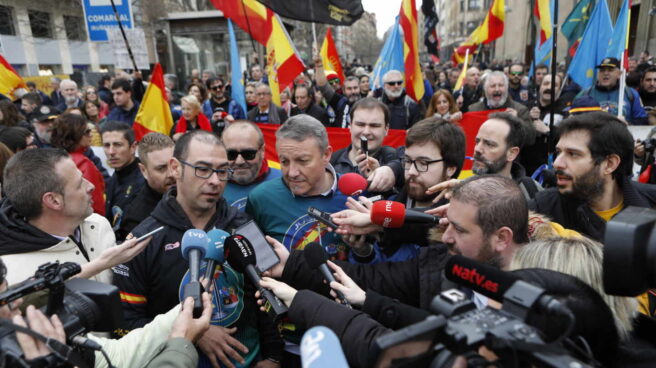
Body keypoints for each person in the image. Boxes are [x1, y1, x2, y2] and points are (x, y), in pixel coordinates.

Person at [112, 130, 283, 368]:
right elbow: (125, 324)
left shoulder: (245, 226)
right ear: (175, 168)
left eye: (222, 170)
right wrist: (194, 333)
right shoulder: (142, 239)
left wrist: (274, 357)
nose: (215, 180)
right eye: (202, 169)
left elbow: (270, 296)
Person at [0, 148, 150, 285]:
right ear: (53, 200)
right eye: (79, 184)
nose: (91, 186)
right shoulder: (11, 274)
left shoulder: (98, 225)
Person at [351, 117, 465, 263]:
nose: (411, 171)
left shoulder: (459, 223)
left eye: (423, 163)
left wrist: (384, 226)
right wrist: (363, 252)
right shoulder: (389, 203)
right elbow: (377, 264)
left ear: (450, 169)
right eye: (408, 161)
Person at [530, 112, 656, 240]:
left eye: (573, 154)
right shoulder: (541, 210)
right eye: (559, 152)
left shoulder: (651, 204)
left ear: (609, 164)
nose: (557, 163)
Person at [246, 115, 349, 256]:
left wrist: (363, 250)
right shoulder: (261, 198)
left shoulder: (355, 193)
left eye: (303, 161)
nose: (292, 172)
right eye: (284, 162)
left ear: (326, 155)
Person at [330, 98, 403, 194]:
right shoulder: (331, 162)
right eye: (360, 124)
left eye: (374, 126)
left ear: (386, 129)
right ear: (350, 126)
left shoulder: (399, 159)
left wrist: (385, 181)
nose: (366, 132)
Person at [116, 133, 175, 239]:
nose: (171, 174)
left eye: (174, 165)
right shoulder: (136, 218)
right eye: (161, 168)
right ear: (143, 170)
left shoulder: (194, 195)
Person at [51, 113, 105, 216]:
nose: (91, 134)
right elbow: (95, 203)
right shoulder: (84, 163)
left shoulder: (52, 159)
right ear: (75, 135)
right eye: (87, 132)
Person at [221, 121, 281, 210]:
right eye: (231, 154)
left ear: (262, 151)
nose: (239, 161)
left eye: (248, 154)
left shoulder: (285, 181)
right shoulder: (211, 186)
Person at [101, 121, 145, 233]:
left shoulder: (145, 179)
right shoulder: (114, 177)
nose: (111, 152)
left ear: (133, 147)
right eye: (106, 145)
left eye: (117, 145)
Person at [577, 57, 647, 125]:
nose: (605, 73)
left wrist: (628, 124)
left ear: (619, 74)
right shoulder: (586, 93)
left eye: (610, 70)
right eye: (602, 70)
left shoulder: (630, 93)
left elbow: (641, 120)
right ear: (598, 74)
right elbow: (572, 116)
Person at [468, 71, 532, 126]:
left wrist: (517, 121)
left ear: (507, 88)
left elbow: (530, 136)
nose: (497, 89)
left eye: (500, 85)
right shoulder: (473, 109)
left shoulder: (520, 110)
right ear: (485, 89)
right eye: (493, 86)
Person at [313, 55, 360, 127]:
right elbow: (323, 86)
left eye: (355, 88)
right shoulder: (340, 102)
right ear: (343, 91)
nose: (353, 91)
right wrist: (319, 65)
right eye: (349, 89)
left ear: (359, 88)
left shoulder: (368, 104)